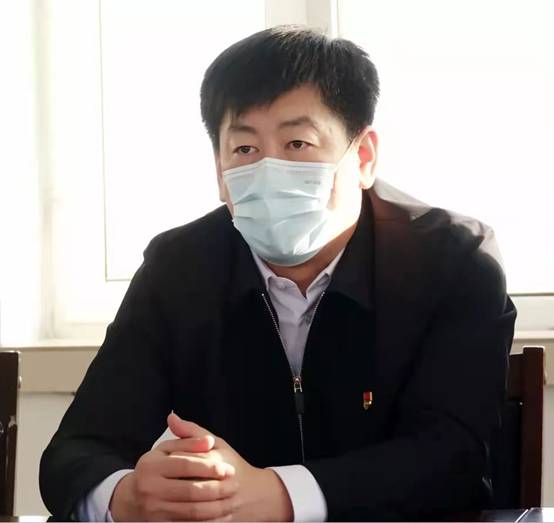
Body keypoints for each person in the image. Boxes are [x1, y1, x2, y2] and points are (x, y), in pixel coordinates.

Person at [40, 26, 516, 522]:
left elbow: (453, 457)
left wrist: (279, 495)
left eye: (297, 143)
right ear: (220, 170)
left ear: (364, 156)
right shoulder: (179, 267)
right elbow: (76, 450)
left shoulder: (454, 260)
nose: (269, 169)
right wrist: (125, 497)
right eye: (244, 150)